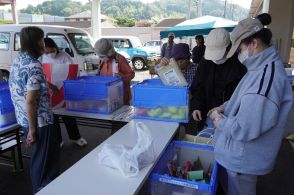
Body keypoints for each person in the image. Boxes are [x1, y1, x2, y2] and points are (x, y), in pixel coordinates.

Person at [208, 14, 293, 195]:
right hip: (237, 155)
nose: (240, 54)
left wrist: (219, 120)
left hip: (243, 159)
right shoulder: (259, 68)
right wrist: (224, 106)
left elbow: (245, 128)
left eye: (240, 49)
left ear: (253, 43)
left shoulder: (266, 77)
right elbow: (244, 98)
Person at [8, 26, 60, 193]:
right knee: (42, 160)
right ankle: (40, 189)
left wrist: (49, 85)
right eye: (41, 39)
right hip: (39, 121)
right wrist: (32, 130)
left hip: (24, 117)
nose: (43, 43)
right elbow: (30, 101)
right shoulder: (34, 65)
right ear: (36, 42)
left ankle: (50, 187)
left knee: (46, 156)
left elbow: (27, 83)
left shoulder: (19, 59)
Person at [190, 28, 246, 130]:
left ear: (229, 48)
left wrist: (225, 108)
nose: (215, 59)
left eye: (219, 54)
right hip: (207, 113)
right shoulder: (205, 62)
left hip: (231, 117)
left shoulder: (240, 64)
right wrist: (196, 107)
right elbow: (198, 87)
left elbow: (242, 95)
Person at [39, 37, 87, 148]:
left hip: (65, 89)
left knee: (68, 116)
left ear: (55, 47)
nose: (50, 53)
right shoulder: (41, 58)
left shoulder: (64, 56)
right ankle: (58, 141)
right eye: (47, 52)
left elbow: (73, 70)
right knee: (53, 118)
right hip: (49, 91)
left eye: (52, 51)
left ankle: (76, 137)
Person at [94, 38, 135, 105]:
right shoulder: (102, 61)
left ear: (109, 53)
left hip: (121, 96)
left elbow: (131, 74)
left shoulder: (120, 59)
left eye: (102, 56)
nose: (100, 58)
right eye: (99, 56)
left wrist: (123, 77)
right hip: (107, 96)